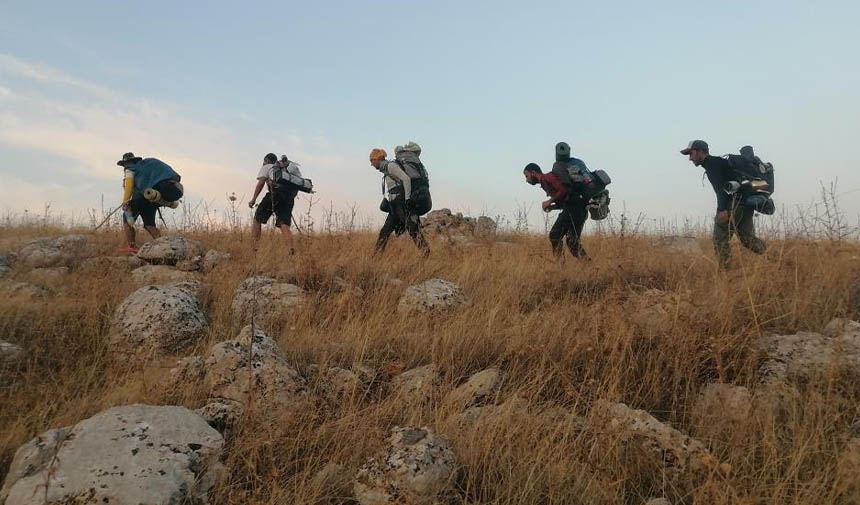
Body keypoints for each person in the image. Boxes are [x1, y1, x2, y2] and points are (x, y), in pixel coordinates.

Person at [681, 139, 767, 268]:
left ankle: (726, 271)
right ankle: (779, 258)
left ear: (701, 151)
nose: (690, 158)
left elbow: (720, 190)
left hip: (735, 203)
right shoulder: (717, 162)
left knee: (719, 237)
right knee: (748, 240)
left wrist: (722, 210)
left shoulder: (711, 164)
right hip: (745, 201)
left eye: (691, 154)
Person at [118, 152, 183, 253]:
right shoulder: (146, 166)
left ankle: (132, 247)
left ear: (127, 163)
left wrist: (125, 201)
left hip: (142, 197)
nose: (124, 167)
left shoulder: (130, 169)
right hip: (152, 197)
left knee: (127, 219)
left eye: (124, 165)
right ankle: (163, 247)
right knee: (149, 225)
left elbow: (129, 187)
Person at [369, 148, 429, 256]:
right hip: (394, 206)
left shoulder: (390, 166)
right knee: (384, 232)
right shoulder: (386, 170)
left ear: (377, 159)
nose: (371, 164)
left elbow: (406, 179)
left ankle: (426, 253)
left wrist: (407, 200)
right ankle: (375, 258)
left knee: (413, 230)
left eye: (371, 161)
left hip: (401, 203)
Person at [524, 161, 588, 259]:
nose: (526, 180)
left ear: (533, 173)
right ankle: (588, 265)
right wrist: (552, 207)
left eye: (527, 176)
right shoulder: (545, 182)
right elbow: (565, 199)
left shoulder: (547, 178)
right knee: (572, 243)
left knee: (554, 235)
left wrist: (550, 201)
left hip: (574, 207)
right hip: (577, 208)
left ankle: (559, 266)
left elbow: (563, 190)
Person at [249, 153, 301, 254]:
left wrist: (253, 199)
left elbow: (261, 183)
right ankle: (290, 250)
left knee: (257, 219)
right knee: (284, 224)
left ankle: (254, 249)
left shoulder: (267, 167)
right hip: (289, 197)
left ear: (266, 160)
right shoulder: (285, 170)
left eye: (263, 161)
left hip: (275, 194)